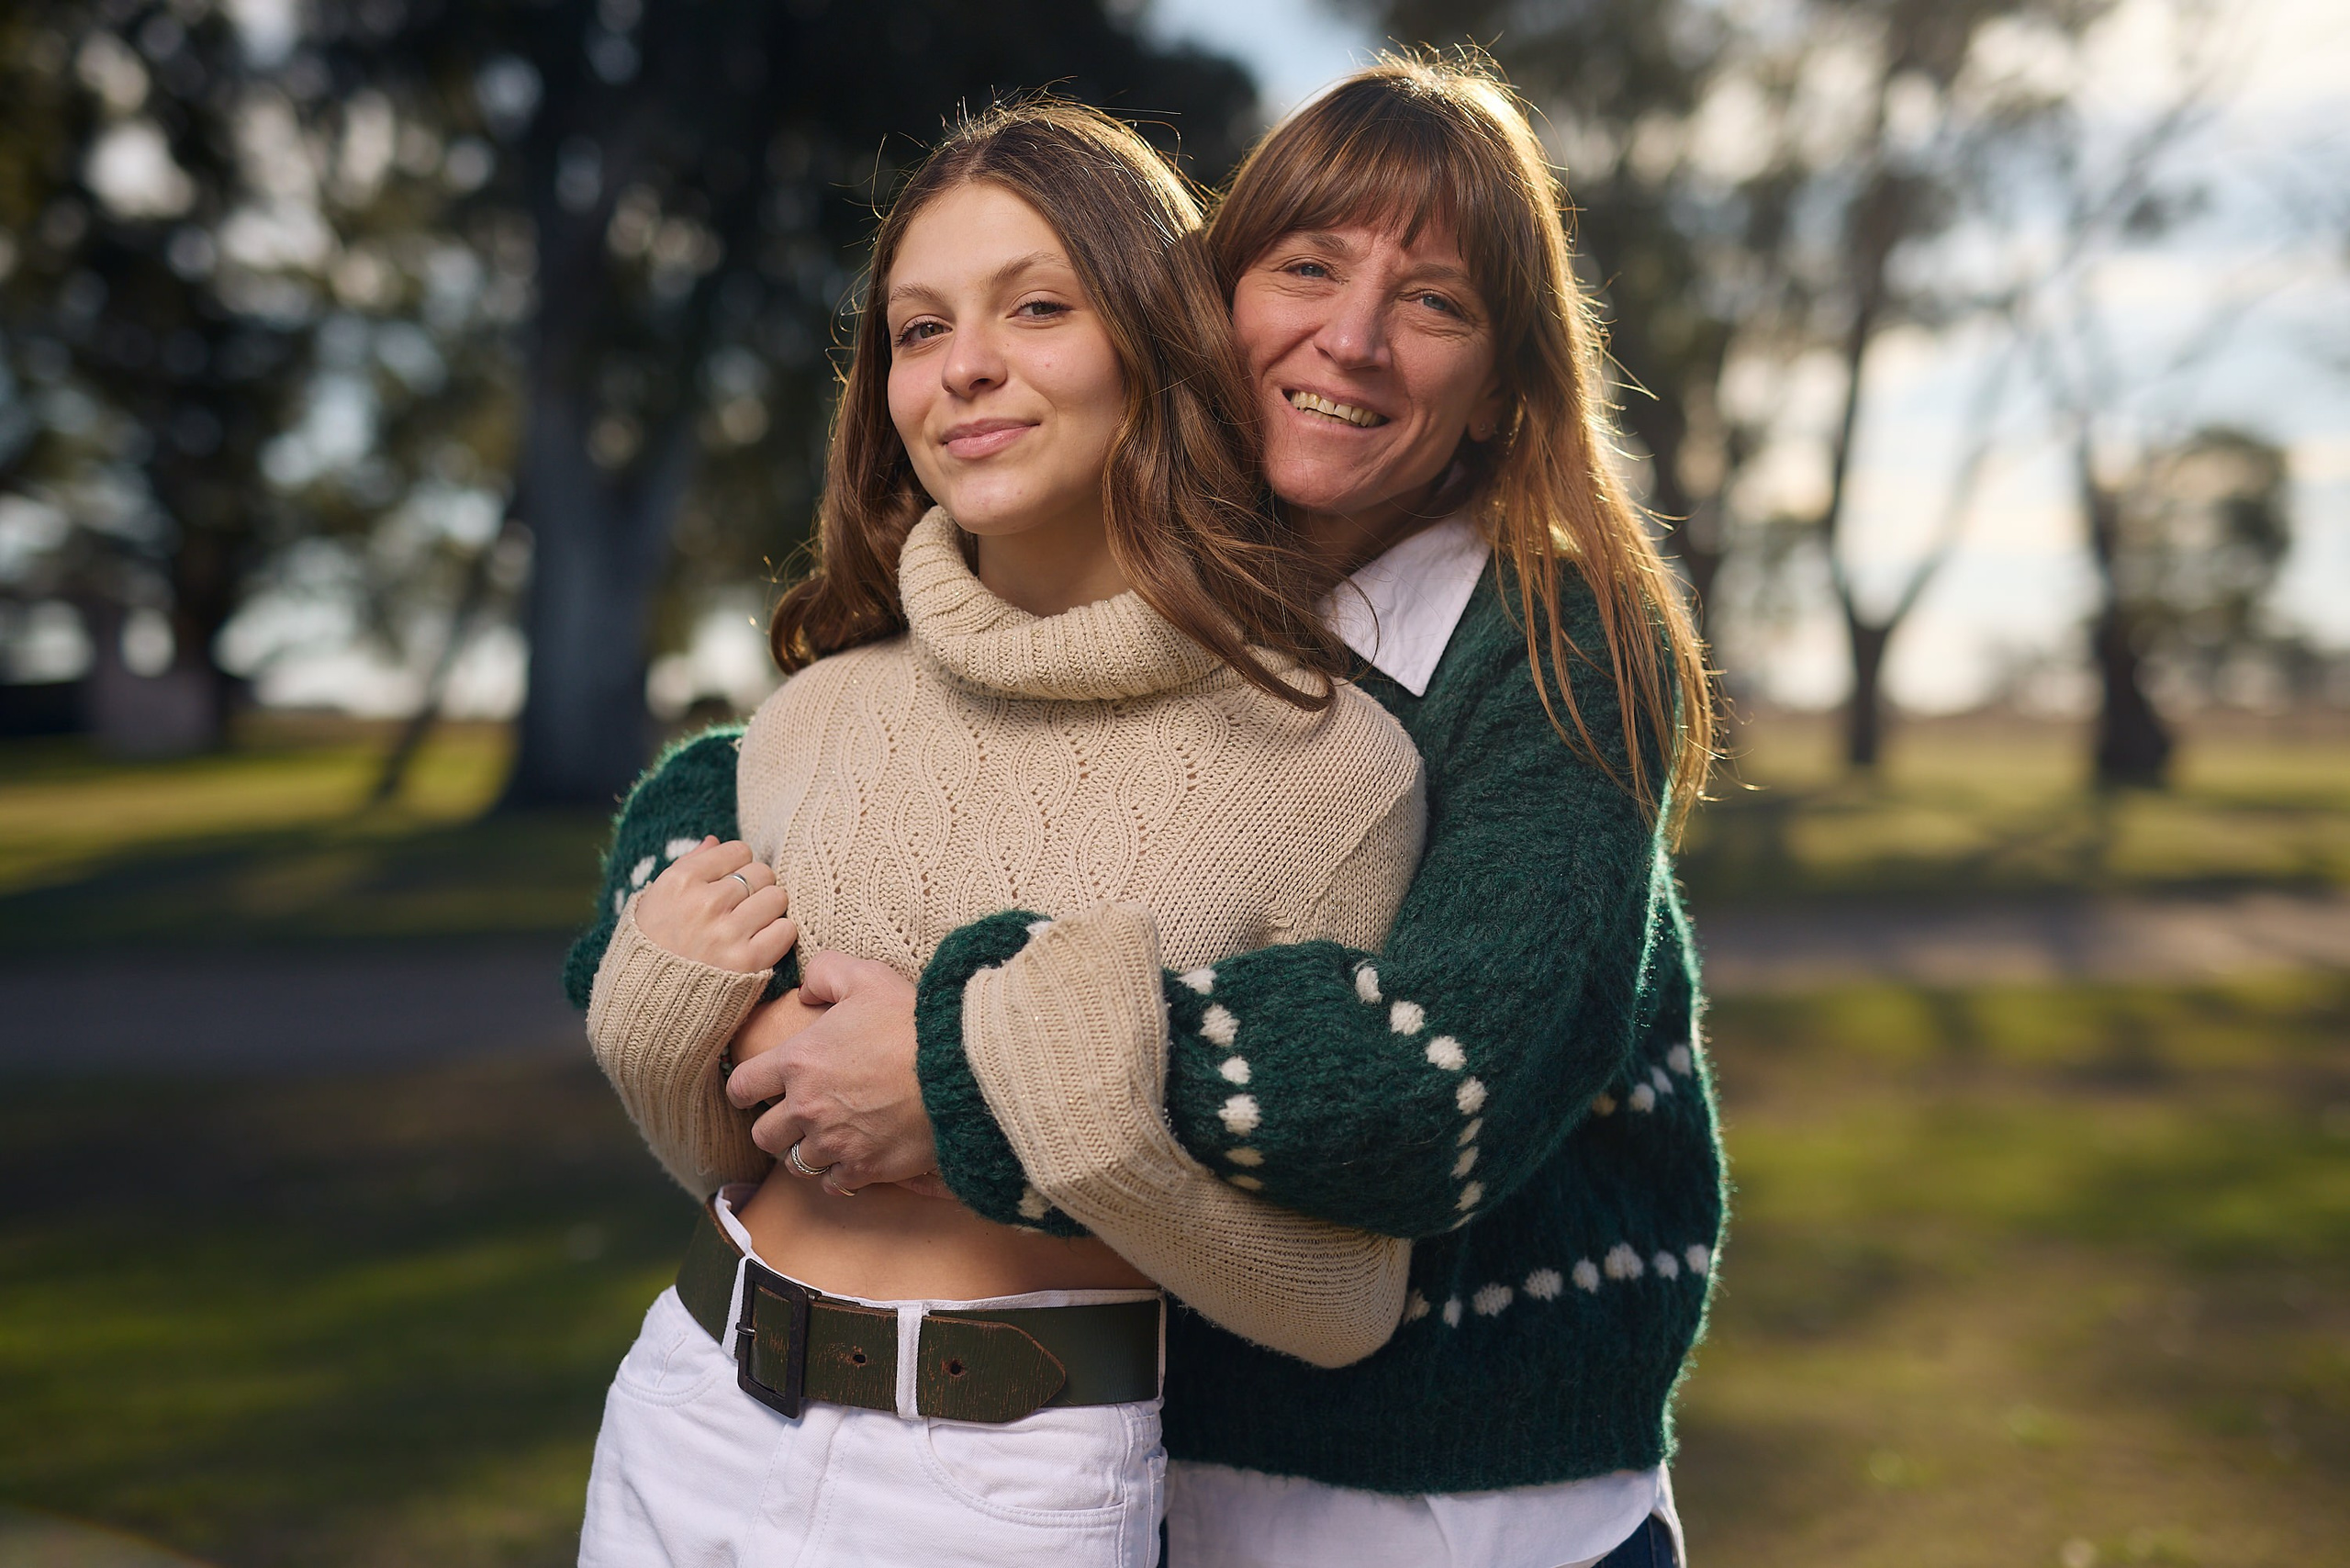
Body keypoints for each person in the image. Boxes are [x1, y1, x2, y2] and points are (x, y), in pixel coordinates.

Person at [568, 54, 1725, 1568]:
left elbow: (1451, 1075)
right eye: (1303, 268)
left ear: (1505, 380)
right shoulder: (1151, 593)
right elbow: (758, 770)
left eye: (1435, 303)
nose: (1353, 338)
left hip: (1455, 1498)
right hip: (1147, 1459)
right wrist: (685, 955)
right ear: (1203, 306)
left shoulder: (1544, 633)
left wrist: (963, 1068)